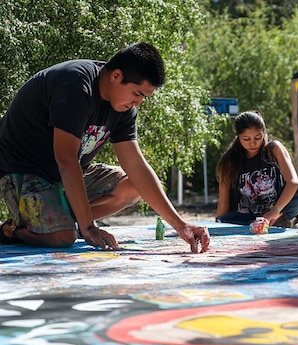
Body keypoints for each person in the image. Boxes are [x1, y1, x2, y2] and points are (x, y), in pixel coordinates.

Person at [0, 42, 209, 253]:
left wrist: (181, 225)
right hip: (23, 170)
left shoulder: (124, 109)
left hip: (65, 174)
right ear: (116, 76)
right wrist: (89, 226)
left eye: (143, 97)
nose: (138, 103)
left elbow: (136, 166)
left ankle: (64, 219)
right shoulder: (75, 86)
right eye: (137, 94)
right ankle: (11, 229)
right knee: (63, 237)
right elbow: (65, 159)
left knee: (134, 185)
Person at [215, 111, 298, 228]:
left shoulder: (274, 149)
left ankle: (282, 221)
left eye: (258, 137)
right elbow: (223, 203)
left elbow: (293, 182)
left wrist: (275, 210)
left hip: (278, 211)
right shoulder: (229, 162)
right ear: (238, 137)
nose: (253, 143)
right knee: (223, 219)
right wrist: (217, 228)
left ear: (264, 133)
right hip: (248, 219)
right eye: (246, 139)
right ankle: (279, 225)